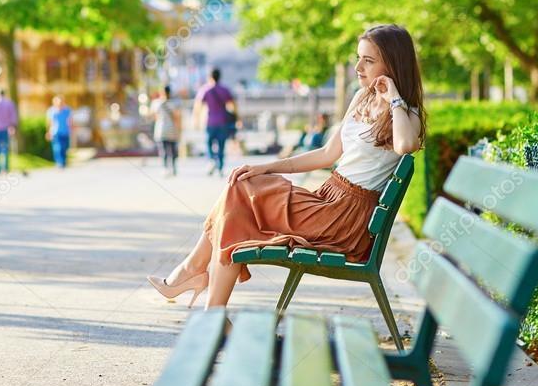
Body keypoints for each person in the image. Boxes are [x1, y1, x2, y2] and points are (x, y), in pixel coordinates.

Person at [148, 24, 426, 309]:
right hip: (326, 199)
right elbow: (327, 154)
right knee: (242, 186)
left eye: (368, 60)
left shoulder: (405, 113)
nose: (357, 67)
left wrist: (394, 98)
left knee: (240, 197)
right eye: (358, 57)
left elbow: (405, 146)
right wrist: (267, 168)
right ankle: (204, 295)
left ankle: (194, 278)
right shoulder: (361, 98)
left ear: (393, 63)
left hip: (342, 219)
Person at [192, 68, 237, 178]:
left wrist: (196, 120)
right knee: (221, 145)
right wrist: (237, 118)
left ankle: (211, 160)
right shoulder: (225, 89)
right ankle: (220, 167)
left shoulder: (205, 89)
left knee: (209, 143)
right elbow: (232, 105)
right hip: (223, 121)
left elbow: (198, 106)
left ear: (210, 77)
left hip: (210, 121)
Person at [152, 85, 182, 177]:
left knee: (163, 150)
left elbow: (154, 116)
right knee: (173, 151)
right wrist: (179, 130)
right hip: (172, 130)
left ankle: (165, 168)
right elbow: (177, 118)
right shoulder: (174, 104)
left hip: (161, 130)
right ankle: (173, 168)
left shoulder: (156, 103)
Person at [46, 95, 72, 168]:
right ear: (54, 103)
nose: (60, 104)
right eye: (58, 102)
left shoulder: (67, 110)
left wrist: (72, 128)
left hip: (65, 131)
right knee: (58, 147)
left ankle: (63, 160)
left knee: (65, 147)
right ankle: (59, 162)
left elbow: (70, 120)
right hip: (55, 132)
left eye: (61, 102)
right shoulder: (51, 111)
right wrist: (48, 132)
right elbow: (49, 122)